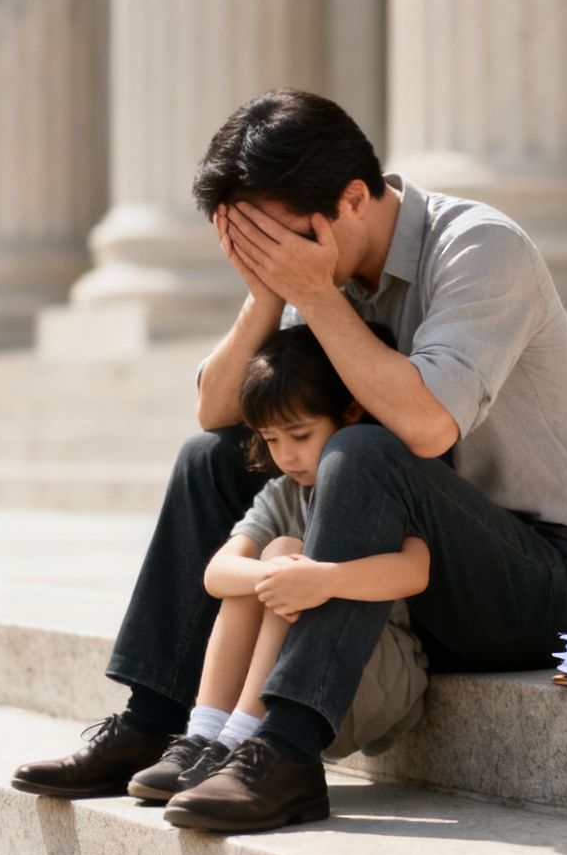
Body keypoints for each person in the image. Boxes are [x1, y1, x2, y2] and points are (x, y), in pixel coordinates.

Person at [12, 89, 567, 833]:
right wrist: (266, 298)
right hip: (385, 577)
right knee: (212, 457)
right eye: (251, 243)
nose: (274, 257)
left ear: (352, 198)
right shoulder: (313, 273)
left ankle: (286, 750)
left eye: (279, 238)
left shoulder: (481, 249)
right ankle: (159, 722)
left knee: (364, 447)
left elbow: (426, 426)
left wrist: (312, 296)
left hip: (527, 583)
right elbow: (217, 410)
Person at [123, 322, 430, 815]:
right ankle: (206, 735)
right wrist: (281, 575)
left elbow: (416, 570)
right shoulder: (284, 493)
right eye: (270, 439)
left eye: (301, 435)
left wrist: (324, 580)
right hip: (294, 684)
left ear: (348, 413)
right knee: (272, 555)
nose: (286, 455)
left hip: (372, 673)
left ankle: (239, 739)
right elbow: (217, 572)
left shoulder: (373, 480)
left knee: (282, 551)